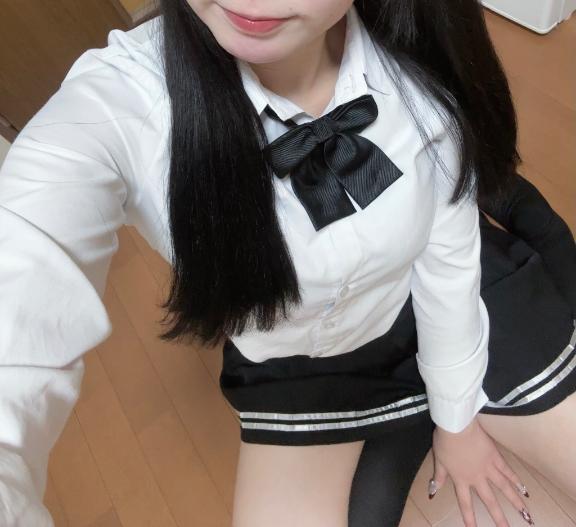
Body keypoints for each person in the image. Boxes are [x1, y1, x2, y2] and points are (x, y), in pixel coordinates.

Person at [0, 1, 574, 527]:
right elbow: (24, 262)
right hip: (302, 366)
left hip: (448, 299)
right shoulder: (122, 102)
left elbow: (449, 262)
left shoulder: (420, 55)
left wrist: (456, 421)